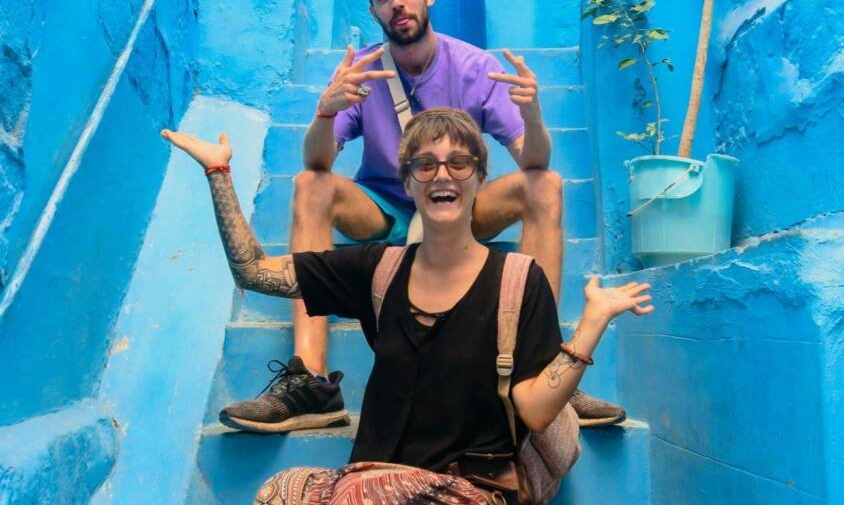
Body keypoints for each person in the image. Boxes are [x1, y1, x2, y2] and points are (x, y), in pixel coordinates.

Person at [219, 0, 625, 433]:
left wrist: (533, 115)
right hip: (385, 207)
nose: (396, 2)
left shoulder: (474, 66)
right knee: (310, 184)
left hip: (459, 202)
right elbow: (318, 162)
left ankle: (540, 369)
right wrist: (325, 112)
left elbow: (533, 162)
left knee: (546, 186)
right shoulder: (361, 71)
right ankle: (312, 383)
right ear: (373, 11)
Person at [160, 108, 653, 504]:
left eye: (460, 163)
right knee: (280, 492)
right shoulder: (379, 269)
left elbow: (537, 410)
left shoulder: (519, 281)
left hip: (471, 489)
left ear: (479, 178)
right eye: (425, 164)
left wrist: (590, 325)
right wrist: (218, 172)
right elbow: (254, 271)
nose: (443, 174)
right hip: (371, 479)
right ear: (410, 182)